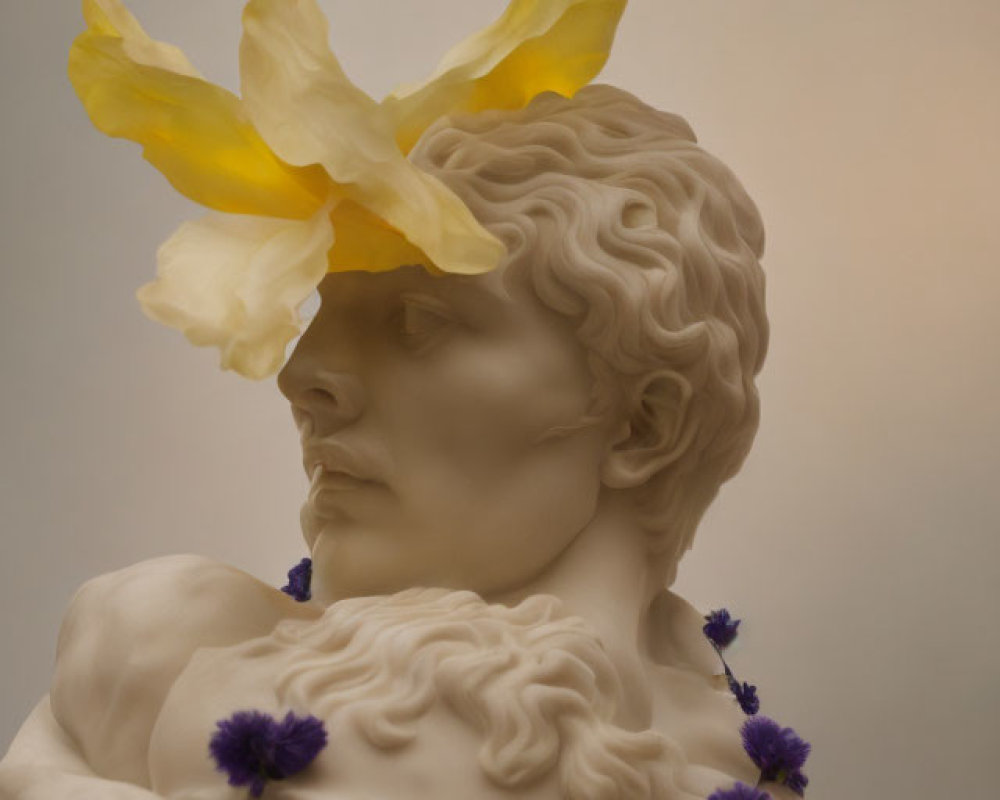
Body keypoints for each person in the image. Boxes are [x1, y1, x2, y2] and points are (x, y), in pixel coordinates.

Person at [0, 87, 788, 799]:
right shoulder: (173, 641)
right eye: (322, 314)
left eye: (419, 321)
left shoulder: (175, 662)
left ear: (644, 424)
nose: (302, 375)